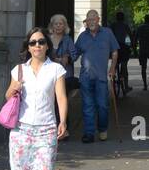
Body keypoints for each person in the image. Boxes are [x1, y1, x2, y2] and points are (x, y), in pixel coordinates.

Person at [4, 26, 68, 170]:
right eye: (33, 43)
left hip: (46, 129)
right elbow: (8, 95)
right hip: (21, 129)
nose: (37, 45)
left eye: (41, 42)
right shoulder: (19, 70)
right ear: (28, 47)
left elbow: (61, 97)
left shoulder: (56, 69)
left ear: (47, 45)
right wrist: (13, 90)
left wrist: (63, 121)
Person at [73, 10, 119, 142]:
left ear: (98, 19)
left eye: (93, 19)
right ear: (86, 22)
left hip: (101, 77)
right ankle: (89, 133)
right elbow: (74, 54)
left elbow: (114, 51)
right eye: (88, 20)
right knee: (88, 105)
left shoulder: (107, 33)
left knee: (102, 105)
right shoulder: (82, 36)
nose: (91, 22)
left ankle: (103, 129)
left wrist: (112, 68)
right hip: (86, 77)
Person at [47, 13, 78, 138]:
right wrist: (53, 59)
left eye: (61, 24)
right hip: (49, 75)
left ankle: (64, 129)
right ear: (52, 26)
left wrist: (68, 58)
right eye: (56, 24)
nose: (58, 26)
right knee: (50, 102)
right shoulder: (47, 39)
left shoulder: (68, 39)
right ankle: (52, 129)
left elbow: (75, 56)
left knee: (61, 102)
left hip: (65, 76)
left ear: (64, 26)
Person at [110, 11, 134, 92]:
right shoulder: (125, 25)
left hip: (114, 47)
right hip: (122, 46)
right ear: (123, 18)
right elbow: (130, 35)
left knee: (114, 64)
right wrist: (132, 45)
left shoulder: (112, 25)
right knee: (124, 66)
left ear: (116, 17)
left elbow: (109, 35)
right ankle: (126, 86)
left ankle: (113, 79)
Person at [136, 14, 149, 90]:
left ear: (144, 19)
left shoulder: (140, 28)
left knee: (143, 68)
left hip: (142, 50)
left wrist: (135, 50)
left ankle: (145, 84)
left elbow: (135, 39)